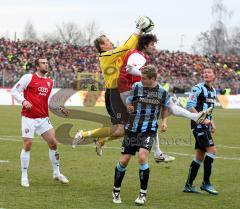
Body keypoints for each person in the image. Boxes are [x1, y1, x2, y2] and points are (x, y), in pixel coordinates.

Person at [117, 34, 213, 162]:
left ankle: (158, 152)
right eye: (152, 44)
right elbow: (129, 69)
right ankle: (194, 117)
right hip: (131, 90)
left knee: (153, 117)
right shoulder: (137, 55)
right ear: (145, 45)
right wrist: (145, 75)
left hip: (131, 89)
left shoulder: (138, 55)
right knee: (166, 108)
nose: (154, 47)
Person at [72, 17, 151, 154]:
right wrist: (137, 30)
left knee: (121, 131)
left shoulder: (114, 55)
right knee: (123, 129)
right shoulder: (106, 56)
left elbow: (129, 47)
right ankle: (83, 135)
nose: (110, 42)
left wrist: (141, 33)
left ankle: (99, 140)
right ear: (102, 47)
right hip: (114, 93)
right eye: (107, 41)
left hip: (120, 92)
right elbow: (126, 46)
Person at [112, 65, 169, 205]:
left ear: (153, 78)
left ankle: (142, 194)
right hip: (132, 128)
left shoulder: (162, 92)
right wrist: (128, 106)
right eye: (141, 77)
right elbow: (129, 100)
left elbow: (165, 107)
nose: (141, 79)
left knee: (143, 157)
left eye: (144, 78)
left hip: (149, 129)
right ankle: (116, 190)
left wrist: (164, 122)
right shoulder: (137, 86)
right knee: (124, 160)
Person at [11, 58, 69, 187]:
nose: (46, 64)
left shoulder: (49, 82)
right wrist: (23, 101)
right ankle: (24, 176)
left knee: (53, 143)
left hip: (43, 118)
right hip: (29, 118)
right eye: (43, 63)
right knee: (28, 145)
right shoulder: (28, 77)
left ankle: (56, 173)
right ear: (37, 66)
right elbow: (14, 91)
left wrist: (59, 108)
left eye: (47, 62)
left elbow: (48, 100)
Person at [183, 67, 218, 195]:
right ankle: (206, 183)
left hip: (205, 125)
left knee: (199, 156)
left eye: (209, 72)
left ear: (214, 76)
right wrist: (202, 119)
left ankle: (188, 185)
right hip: (198, 125)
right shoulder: (197, 88)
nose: (206, 74)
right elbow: (189, 105)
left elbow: (209, 110)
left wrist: (212, 122)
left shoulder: (213, 91)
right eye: (204, 72)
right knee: (212, 151)